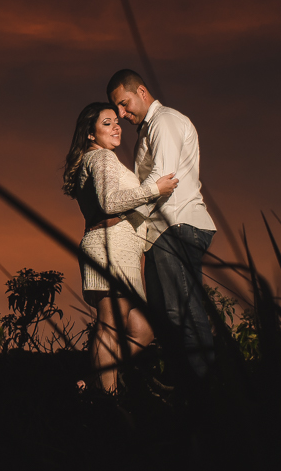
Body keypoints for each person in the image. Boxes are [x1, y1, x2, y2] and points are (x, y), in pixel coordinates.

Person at [107, 69, 217, 384]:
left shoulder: (164, 121)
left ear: (141, 91)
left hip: (177, 224)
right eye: (117, 109)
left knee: (183, 313)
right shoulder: (149, 129)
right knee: (166, 319)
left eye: (125, 104)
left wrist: (122, 212)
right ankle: (185, 390)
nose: (122, 114)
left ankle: (208, 392)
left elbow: (163, 177)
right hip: (159, 233)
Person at [63, 102, 178, 394]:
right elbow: (110, 203)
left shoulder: (97, 158)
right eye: (106, 123)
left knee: (143, 330)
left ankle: (91, 382)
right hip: (109, 247)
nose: (116, 127)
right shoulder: (102, 158)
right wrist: (155, 189)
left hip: (117, 249)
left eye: (117, 121)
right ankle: (108, 399)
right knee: (110, 325)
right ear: (90, 133)